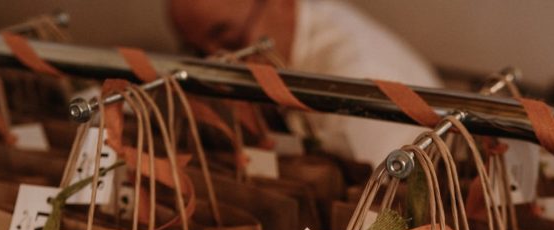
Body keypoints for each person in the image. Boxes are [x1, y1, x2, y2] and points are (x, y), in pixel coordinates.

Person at [168, 0, 443, 165]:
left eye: (230, 42)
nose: (221, 62)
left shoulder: (357, 75)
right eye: (200, 53)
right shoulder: (285, 49)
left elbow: (377, 201)